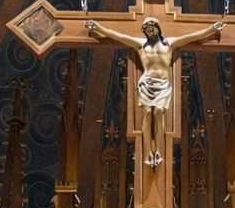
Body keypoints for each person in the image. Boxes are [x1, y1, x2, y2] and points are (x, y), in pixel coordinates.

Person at [86, 14, 223, 164]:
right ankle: (148, 152)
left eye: (152, 28)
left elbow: (192, 37)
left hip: (163, 84)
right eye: (147, 29)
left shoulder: (169, 44)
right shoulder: (140, 45)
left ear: (158, 29)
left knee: (158, 112)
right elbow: (118, 36)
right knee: (148, 113)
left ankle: (158, 150)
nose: (150, 32)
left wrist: (211, 29)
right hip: (147, 83)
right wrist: (98, 28)